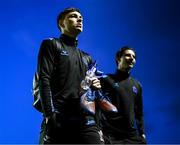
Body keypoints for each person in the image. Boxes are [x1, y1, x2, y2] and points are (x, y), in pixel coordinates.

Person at [37, 7, 104, 144]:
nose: (79, 19)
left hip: (86, 122)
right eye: (73, 16)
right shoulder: (51, 44)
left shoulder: (87, 58)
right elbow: (44, 80)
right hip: (59, 118)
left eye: (81, 18)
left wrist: (98, 125)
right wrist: (50, 115)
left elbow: (94, 96)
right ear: (62, 23)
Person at [99, 46, 147, 144]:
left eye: (134, 57)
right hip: (111, 136)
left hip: (132, 136)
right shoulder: (106, 80)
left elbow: (139, 112)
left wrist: (142, 132)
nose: (132, 58)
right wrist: (98, 128)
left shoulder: (137, 85)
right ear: (118, 58)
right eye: (128, 55)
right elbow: (97, 106)